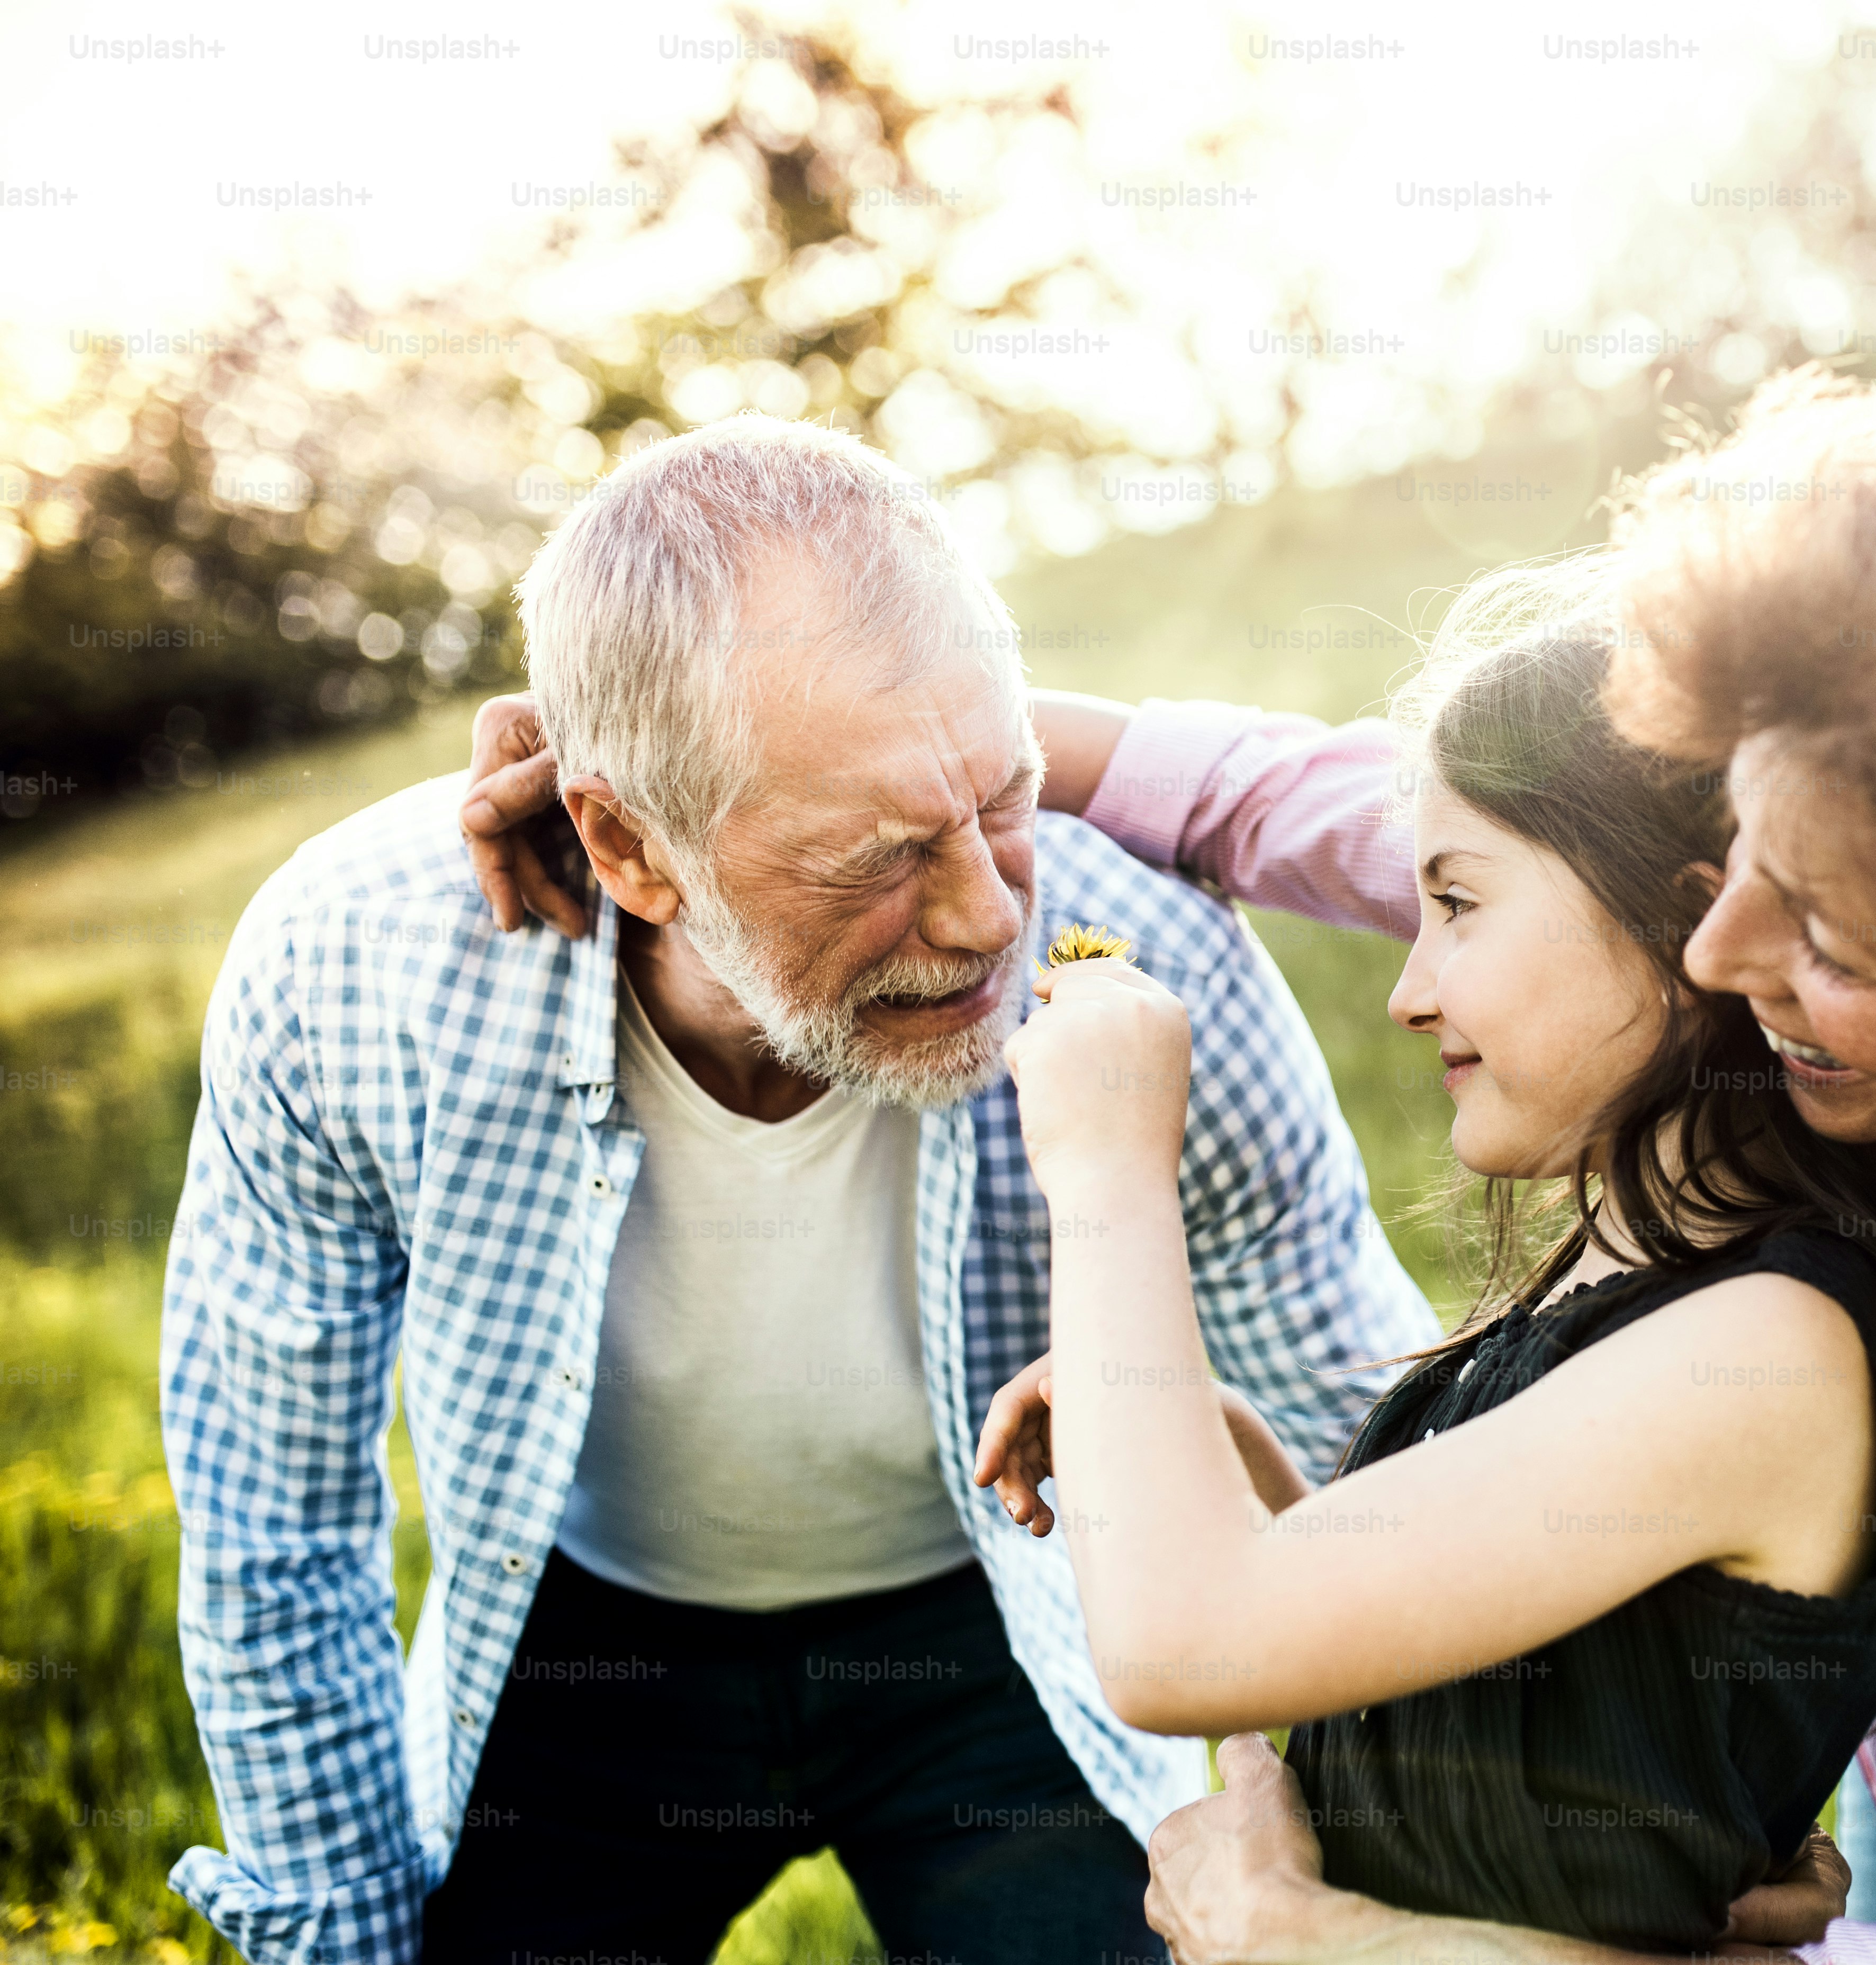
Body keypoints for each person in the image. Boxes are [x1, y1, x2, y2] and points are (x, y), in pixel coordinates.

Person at [459, 310, 1876, 1964]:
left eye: (1835, 925)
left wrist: (1338, 1948)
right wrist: (704, 758)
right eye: (1728, 850)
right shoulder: (1778, 954)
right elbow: (1298, 800)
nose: (1719, 951)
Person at [159, 415, 1442, 1965]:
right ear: (628, 843)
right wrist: (342, 1944)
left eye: (1008, 800)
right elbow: (271, 1525)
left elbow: (1359, 1443)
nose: (985, 919)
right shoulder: (353, 972)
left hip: (1012, 1623)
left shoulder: (1148, 955)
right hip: (587, 1654)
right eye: (881, 860)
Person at [969, 628, 1876, 1953]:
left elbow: (1182, 1646)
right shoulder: (1657, 1289)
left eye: (1456, 902)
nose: (1408, 987)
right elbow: (1509, 1700)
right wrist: (1216, 1462)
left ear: (1686, 921)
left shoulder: (1770, 1349)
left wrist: (1108, 1168)